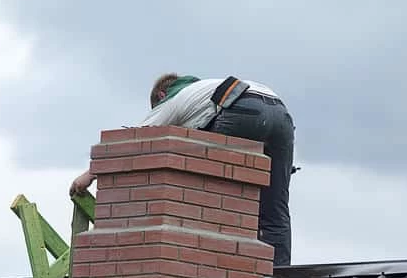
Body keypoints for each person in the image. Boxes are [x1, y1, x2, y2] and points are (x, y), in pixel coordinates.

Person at [70, 73, 295, 267]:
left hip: (241, 109)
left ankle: (214, 261)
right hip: (281, 116)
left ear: (160, 95)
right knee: (275, 208)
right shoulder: (203, 91)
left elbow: (135, 139)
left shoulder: (174, 98)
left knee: (207, 188)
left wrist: (89, 175)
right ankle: (279, 276)